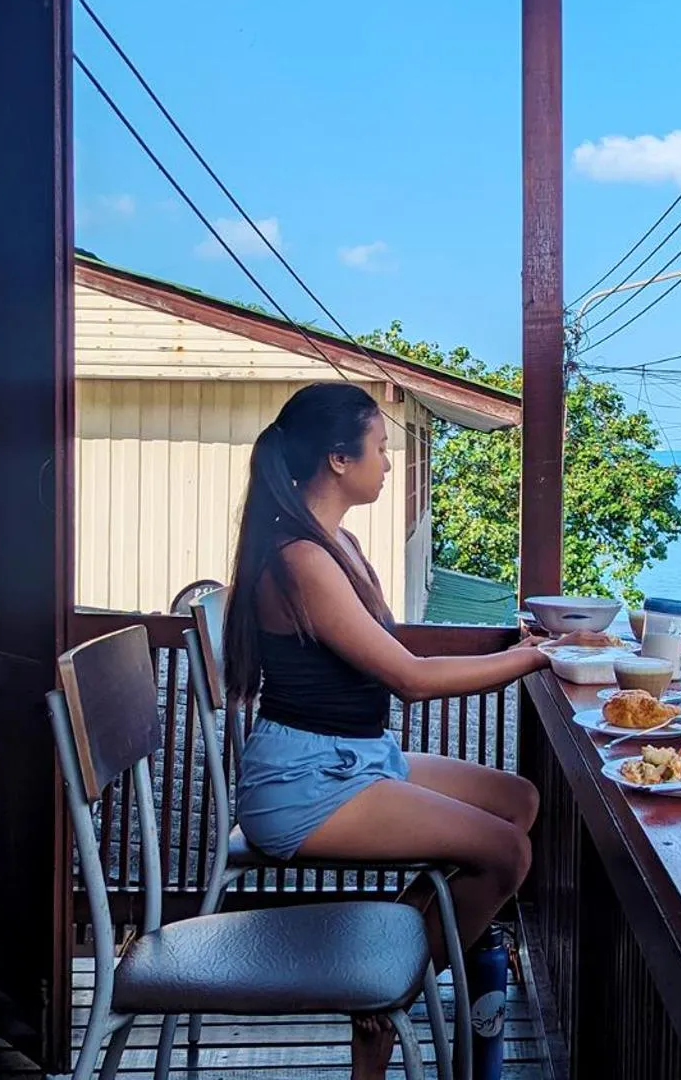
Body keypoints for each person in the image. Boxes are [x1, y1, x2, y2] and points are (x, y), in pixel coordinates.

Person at [222, 382, 546, 1078]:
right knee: (505, 854)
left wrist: (521, 649)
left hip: (354, 758)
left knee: (517, 800)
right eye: (380, 447)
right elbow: (411, 679)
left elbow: (396, 658)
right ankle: (384, 1007)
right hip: (304, 784)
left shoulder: (335, 542)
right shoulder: (302, 559)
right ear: (338, 459)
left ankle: (388, 972)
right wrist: (537, 658)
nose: (390, 463)